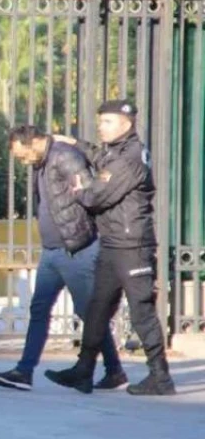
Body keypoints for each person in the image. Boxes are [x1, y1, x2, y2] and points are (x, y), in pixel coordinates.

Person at [46, 100, 176, 396]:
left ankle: (160, 377)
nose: (101, 127)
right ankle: (83, 371)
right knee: (98, 307)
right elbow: (100, 157)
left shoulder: (129, 158)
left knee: (141, 310)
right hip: (113, 243)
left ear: (126, 124)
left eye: (107, 122)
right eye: (100, 121)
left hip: (132, 245)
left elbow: (97, 197)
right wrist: (75, 143)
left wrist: (81, 191)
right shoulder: (117, 151)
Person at [0, 125, 126, 392]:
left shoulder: (65, 156)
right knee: (39, 309)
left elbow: (90, 195)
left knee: (88, 313)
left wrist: (84, 233)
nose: (22, 161)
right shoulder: (43, 162)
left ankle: (114, 370)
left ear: (34, 142)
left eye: (22, 155)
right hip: (52, 252)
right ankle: (23, 372)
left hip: (75, 250)